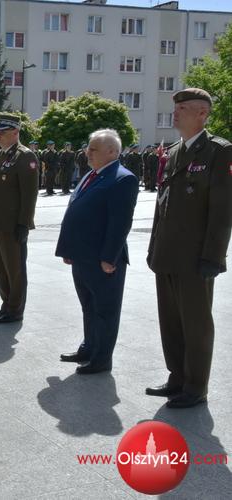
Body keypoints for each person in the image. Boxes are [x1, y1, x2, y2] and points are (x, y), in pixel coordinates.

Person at [146, 88, 232, 409]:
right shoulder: (173, 152)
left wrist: (214, 256)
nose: (175, 113)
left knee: (196, 324)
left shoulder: (219, 152)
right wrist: (154, 247)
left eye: (182, 109)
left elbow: (223, 210)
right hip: (167, 252)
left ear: (202, 114)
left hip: (196, 257)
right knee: (170, 321)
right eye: (176, 108)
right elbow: (162, 204)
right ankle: (177, 377)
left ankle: (196, 387)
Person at [56, 129, 139, 374]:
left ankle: (101, 359)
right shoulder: (92, 174)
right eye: (88, 148)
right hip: (82, 256)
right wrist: (69, 249)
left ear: (112, 152)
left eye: (93, 149)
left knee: (105, 311)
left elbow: (120, 223)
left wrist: (108, 258)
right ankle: (89, 347)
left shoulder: (123, 179)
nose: (87, 153)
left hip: (102, 260)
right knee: (89, 307)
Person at [0, 114, 39, 323]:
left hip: (12, 224)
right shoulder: (0, 154)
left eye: (2, 132)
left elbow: (29, 194)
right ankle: (6, 305)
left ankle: (15, 310)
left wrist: (24, 223)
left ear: (15, 132)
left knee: (15, 270)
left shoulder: (25, 156)